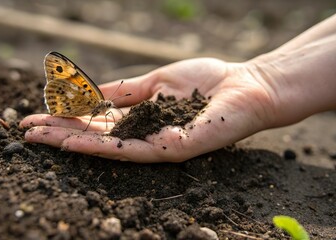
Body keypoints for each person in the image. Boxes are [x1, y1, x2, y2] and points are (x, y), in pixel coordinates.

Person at [20, 14, 336, 163]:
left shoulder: (104, 102)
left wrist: (264, 81)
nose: (110, 105)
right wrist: (262, 76)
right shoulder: (93, 100)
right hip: (70, 102)